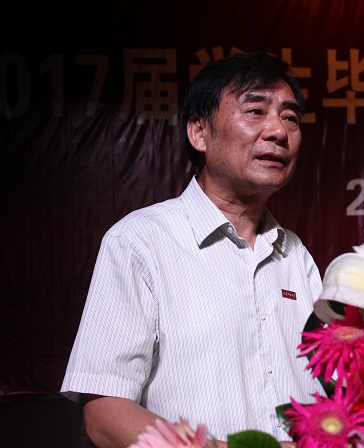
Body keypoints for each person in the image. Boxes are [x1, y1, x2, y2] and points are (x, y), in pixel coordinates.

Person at [61, 52, 324, 447]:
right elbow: (104, 412)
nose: (278, 131)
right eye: (255, 111)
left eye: (290, 117)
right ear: (200, 133)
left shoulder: (296, 255)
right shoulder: (139, 242)